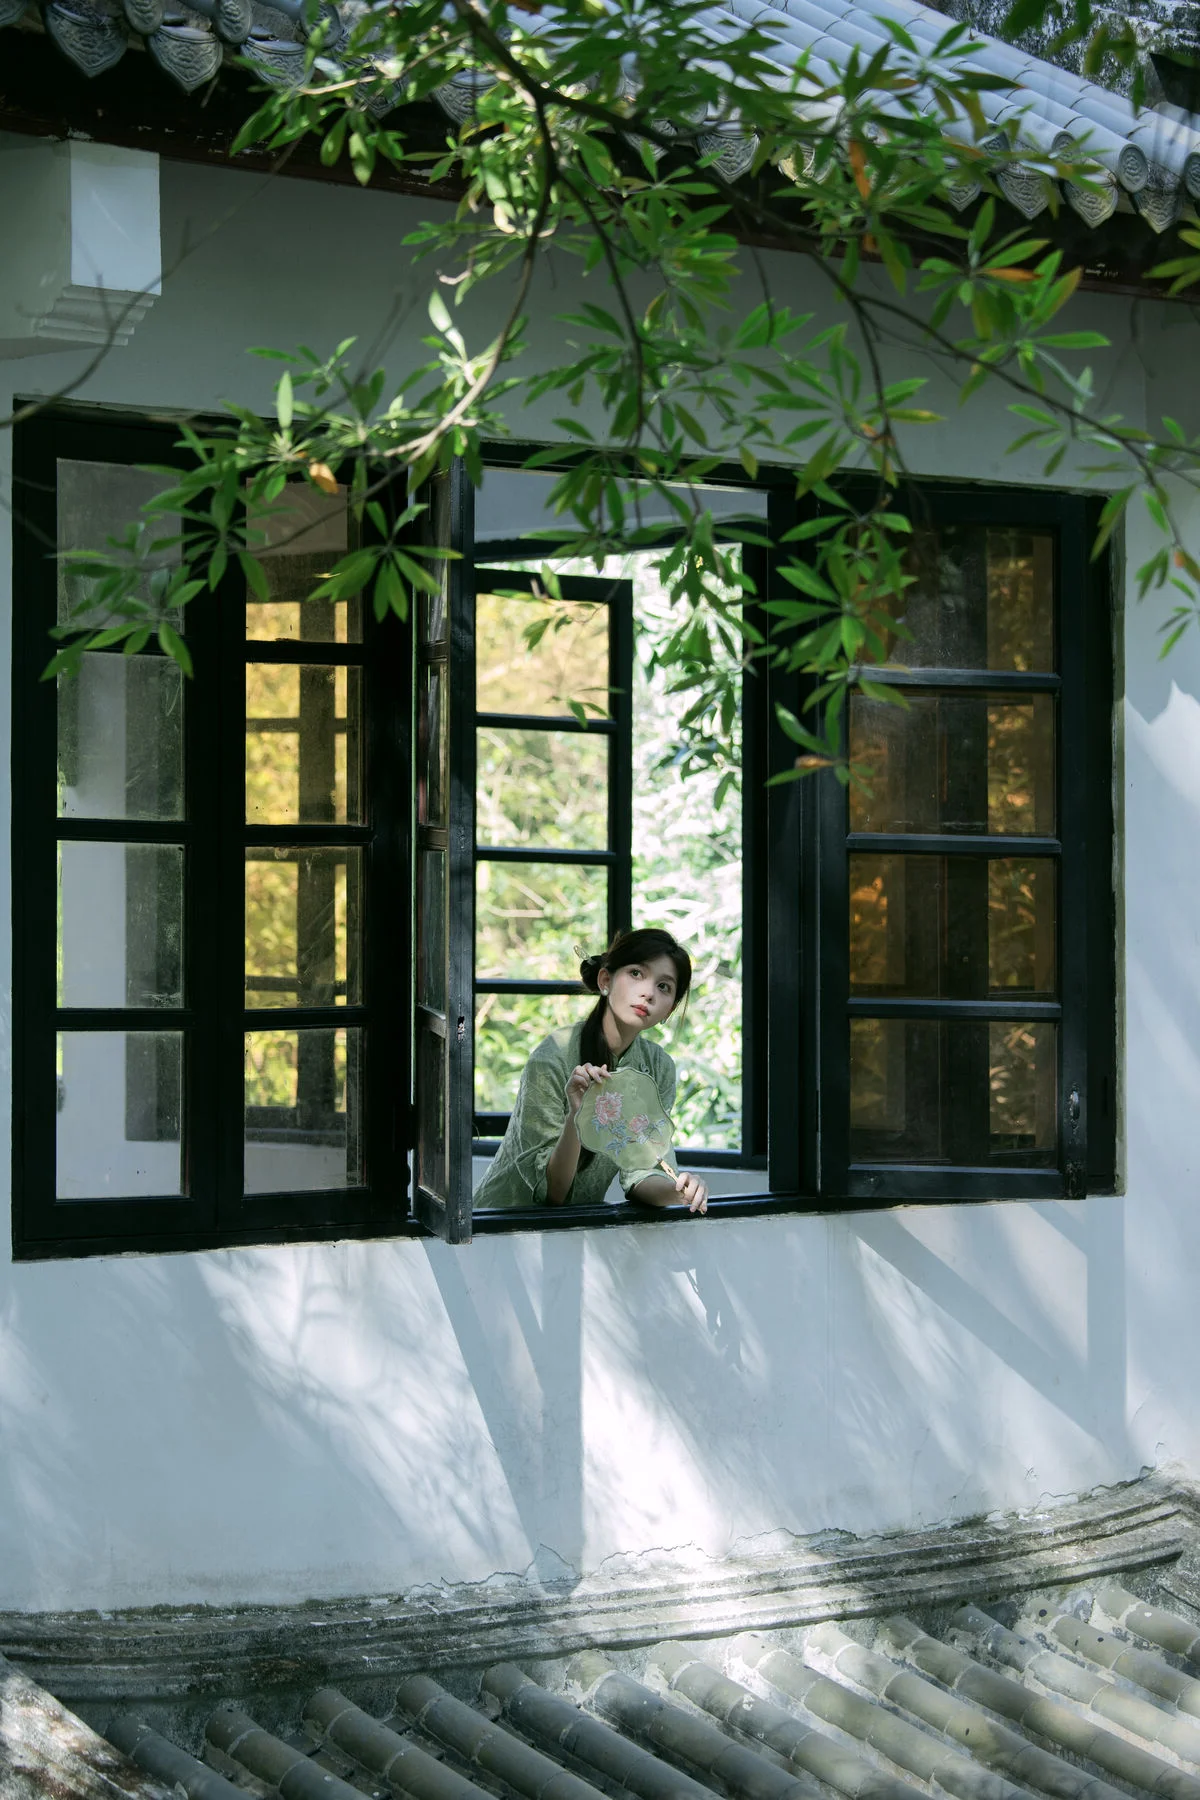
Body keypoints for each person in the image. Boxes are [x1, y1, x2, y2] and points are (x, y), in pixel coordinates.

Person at [474, 927, 710, 1215]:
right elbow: (553, 1193)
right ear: (605, 980)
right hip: (500, 1224)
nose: (648, 993)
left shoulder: (658, 1067)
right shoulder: (554, 1056)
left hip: (578, 1228)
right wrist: (577, 1114)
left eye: (664, 987)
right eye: (636, 973)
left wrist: (679, 1192)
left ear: (669, 1011)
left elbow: (642, 1171)